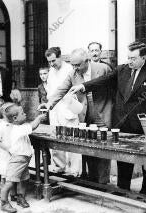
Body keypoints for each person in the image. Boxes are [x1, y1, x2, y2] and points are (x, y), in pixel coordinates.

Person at [70, 41, 146, 192]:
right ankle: (122, 189)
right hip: (121, 122)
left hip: (141, 124)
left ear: (143, 58)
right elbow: (103, 80)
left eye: (133, 58)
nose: (129, 61)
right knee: (123, 159)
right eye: (128, 57)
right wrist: (84, 86)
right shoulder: (121, 70)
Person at [39, 48, 113, 184]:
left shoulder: (103, 68)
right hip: (84, 114)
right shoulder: (73, 73)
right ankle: (92, 179)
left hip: (103, 113)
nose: (75, 68)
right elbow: (61, 89)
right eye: (73, 65)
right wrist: (49, 104)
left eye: (78, 65)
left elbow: (115, 85)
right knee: (88, 147)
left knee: (103, 148)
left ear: (87, 61)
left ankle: (103, 182)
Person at [0, 103, 46, 213]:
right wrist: (39, 117)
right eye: (22, 113)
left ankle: (20, 197)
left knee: (24, 179)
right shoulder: (17, 129)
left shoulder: (20, 127)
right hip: (17, 160)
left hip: (24, 160)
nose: (25, 114)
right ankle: (3, 202)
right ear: (15, 118)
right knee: (10, 182)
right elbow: (33, 126)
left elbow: (29, 126)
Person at [45, 47, 74, 172]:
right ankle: (59, 166)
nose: (51, 64)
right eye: (49, 62)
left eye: (53, 61)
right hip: (54, 110)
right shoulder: (51, 71)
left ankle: (73, 169)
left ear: (60, 56)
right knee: (56, 138)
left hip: (68, 108)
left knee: (71, 138)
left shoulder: (69, 69)